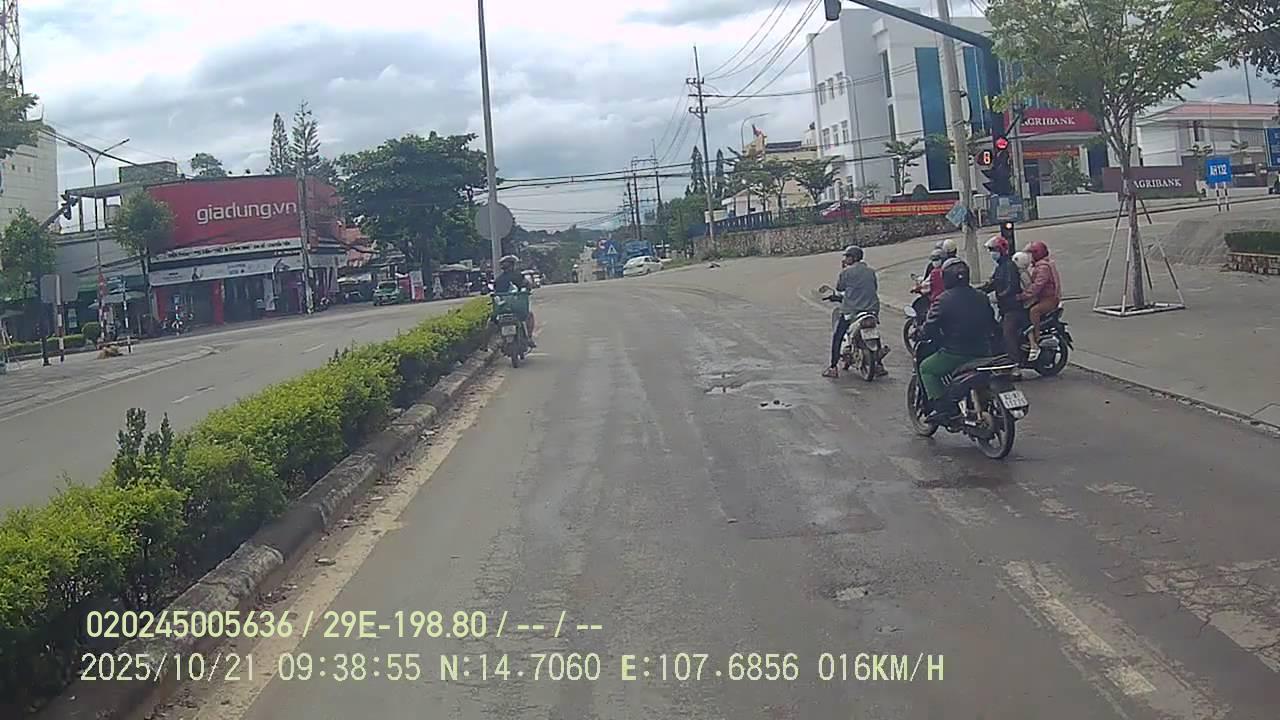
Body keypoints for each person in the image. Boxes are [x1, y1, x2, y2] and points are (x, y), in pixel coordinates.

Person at [918, 258, 998, 424]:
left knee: (926, 368)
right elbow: (992, 323)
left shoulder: (943, 300)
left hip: (956, 353)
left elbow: (930, 325)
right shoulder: (981, 296)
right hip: (983, 351)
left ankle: (943, 408)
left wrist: (921, 333)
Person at [823, 245, 883, 379]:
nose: (845, 259)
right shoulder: (871, 271)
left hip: (852, 311)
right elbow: (874, 287)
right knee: (876, 336)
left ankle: (833, 367)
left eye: (847, 257)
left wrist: (844, 269)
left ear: (854, 258)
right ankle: (879, 365)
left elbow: (840, 288)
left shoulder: (846, 273)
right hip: (872, 309)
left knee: (838, 336)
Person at [978, 234, 1024, 362]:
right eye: (991, 250)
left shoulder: (1009, 266)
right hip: (1004, 308)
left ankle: (1015, 362)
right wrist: (976, 291)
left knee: (1007, 334)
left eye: (993, 250)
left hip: (1013, 308)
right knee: (996, 331)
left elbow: (1011, 286)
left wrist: (1000, 296)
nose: (992, 253)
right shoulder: (999, 267)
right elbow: (991, 284)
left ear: (1001, 250)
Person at [1017, 241, 1061, 362]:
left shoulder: (1043, 268)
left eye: (1031, 254)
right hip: (1044, 297)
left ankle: (1035, 340)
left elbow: (1037, 286)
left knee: (1034, 311)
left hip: (1049, 299)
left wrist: (1022, 296)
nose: (1029, 257)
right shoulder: (1041, 265)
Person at [492, 254, 536, 347]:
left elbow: (495, 293)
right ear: (513, 265)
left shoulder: (498, 279)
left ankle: (485, 345)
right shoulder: (518, 276)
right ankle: (529, 338)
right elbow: (528, 285)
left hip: (502, 308)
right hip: (518, 308)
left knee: (492, 322)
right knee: (529, 316)